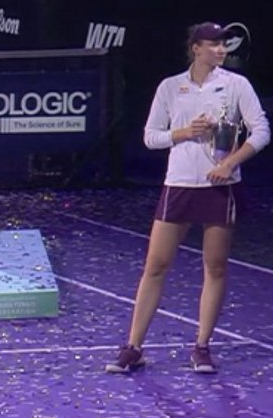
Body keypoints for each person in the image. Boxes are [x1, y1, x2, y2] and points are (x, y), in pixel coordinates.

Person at [107, 22, 270, 374]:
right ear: (195, 47)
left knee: (215, 266)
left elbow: (261, 131)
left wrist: (230, 163)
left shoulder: (237, 85)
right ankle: (133, 347)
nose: (220, 49)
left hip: (220, 186)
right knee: (156, 265)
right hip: (179, 184)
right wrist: (184, 132)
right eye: (213, 44)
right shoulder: (170, 87)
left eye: (223, 44)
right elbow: (151, 137)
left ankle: (202, 347)